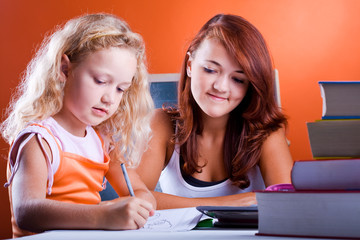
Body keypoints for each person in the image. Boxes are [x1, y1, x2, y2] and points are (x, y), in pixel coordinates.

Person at [1, 13, 156, 238]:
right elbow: (26, 211)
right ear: (65, 70)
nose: (110, 98)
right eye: (101, 81)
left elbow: (138, 188)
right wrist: (103, 215)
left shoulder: (102, 141)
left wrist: (142, 201)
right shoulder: (40, 139)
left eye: (121, 89)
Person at [135, 14, 293, 209]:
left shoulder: (266, 132)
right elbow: (136, 200)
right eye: (210, 69)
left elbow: (288, 206)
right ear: (190, 65)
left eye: (238, 79)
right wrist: (229, 203)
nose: (221, 87)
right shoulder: (162, 123)